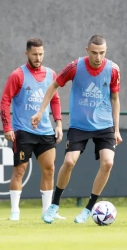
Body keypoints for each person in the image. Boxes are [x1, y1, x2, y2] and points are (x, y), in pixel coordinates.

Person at [31, 35, 122, 224]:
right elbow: (54, 86)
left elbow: (115, 98)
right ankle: (54, 205)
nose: (98, 57)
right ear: (87, 50)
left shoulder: (113, 69)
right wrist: (41, 111)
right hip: (79, 125)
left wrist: (116, 129)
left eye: (102, 53)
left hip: (104, 125)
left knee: (108, 163)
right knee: (70, 162)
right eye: (95, 52)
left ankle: (89, 208)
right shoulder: (75, 67)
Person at [0, 38, 65, 220]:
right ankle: (15, 211)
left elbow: (55, 99)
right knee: (19, 170)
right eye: (35, 54)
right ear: (27, 53)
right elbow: (5, 101)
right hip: (23, 131)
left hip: (45, 132)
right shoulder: (18, 75)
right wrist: (7, 126)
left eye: (41, 54)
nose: (38, 58)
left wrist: (58, 123)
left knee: (49, 169)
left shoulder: (51, 74)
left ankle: (47, 212)